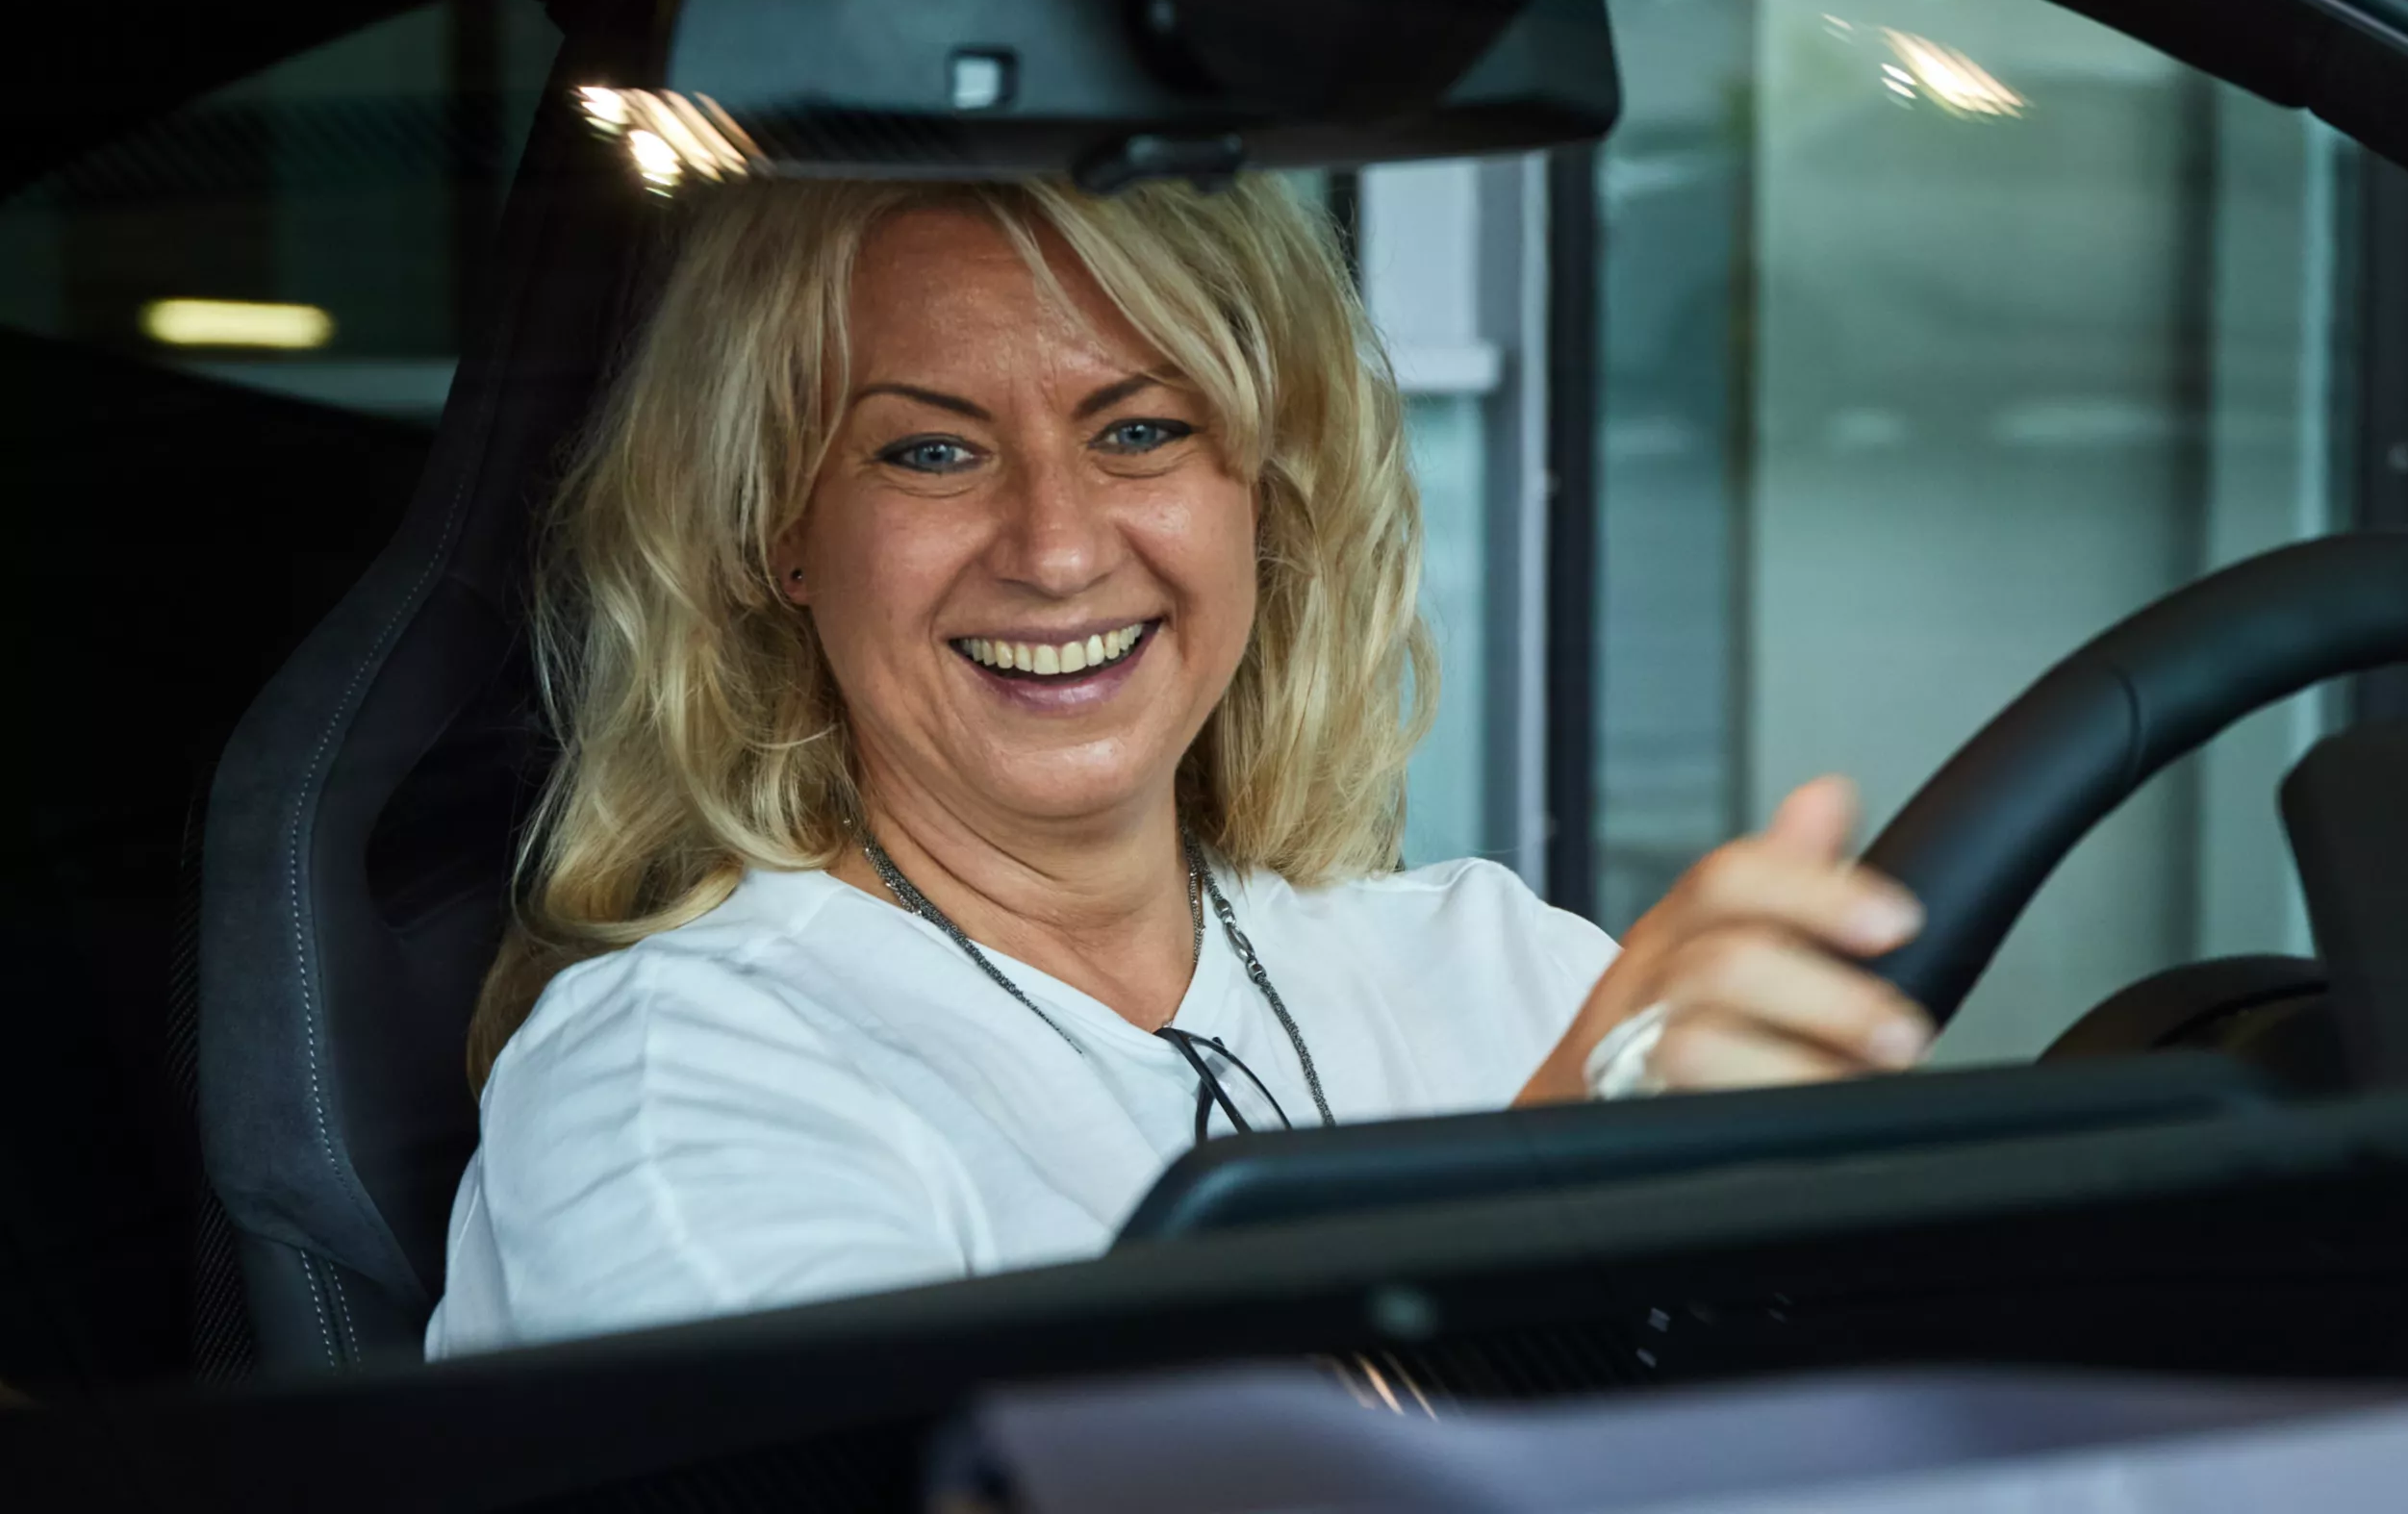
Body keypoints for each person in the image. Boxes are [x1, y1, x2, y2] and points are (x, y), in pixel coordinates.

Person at [425, 176, 1934, 1356]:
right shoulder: (673, 1073)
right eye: (931, 453)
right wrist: (1542, 1200)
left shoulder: (1498, 964)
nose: (1060, 548)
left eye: (1140, 429)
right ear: (779, 538)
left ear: (1262, 498)